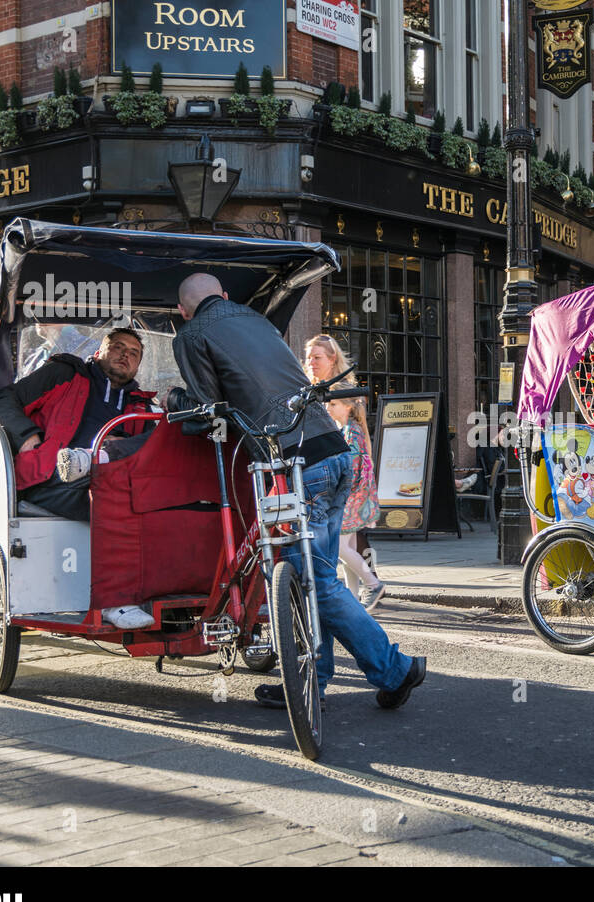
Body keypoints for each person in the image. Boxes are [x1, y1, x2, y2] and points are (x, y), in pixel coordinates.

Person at [165, 273, 425, 712]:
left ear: (182, 311)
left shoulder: (191, 335)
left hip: (296, 463)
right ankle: (311, 682)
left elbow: (207, 410)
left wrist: (175, 402)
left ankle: (396, 668)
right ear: (225, 296)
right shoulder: (257, 321)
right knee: (309, 578)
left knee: (314, 582)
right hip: (333, 454)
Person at [0, 327, 158, 628]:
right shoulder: (65, 373)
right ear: (99, 351)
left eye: (133, 353)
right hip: (50, 479)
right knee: (114, 482)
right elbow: (2, 401)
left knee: (163, 439)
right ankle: (114, 599)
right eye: (117, 346)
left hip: (104, 481)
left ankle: (99, 458)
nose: (125, 355)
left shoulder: (140, 404)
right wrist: (27, 435)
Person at [303, 333, 384, 609]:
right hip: (338, 483)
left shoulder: (343, 390)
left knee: (340, 545)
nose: (311, 362)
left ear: (332, 358)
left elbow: (357, 454)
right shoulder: (312, 389)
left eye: (317, 357)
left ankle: (372, 584)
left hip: (345, 486)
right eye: (308, 357)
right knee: (346, 546)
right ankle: (353, 599)